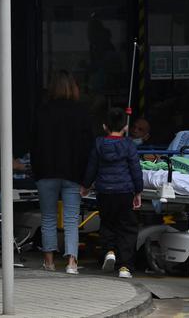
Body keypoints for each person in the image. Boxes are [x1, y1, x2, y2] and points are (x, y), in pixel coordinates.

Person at [30, 70, 94, 274]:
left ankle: (49, 262)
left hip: (46, 171)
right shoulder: (81, 112)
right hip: (73, 173)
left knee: (48, 217)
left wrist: (36, 170)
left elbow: (34, 144)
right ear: (72, 87)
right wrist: (87, 177)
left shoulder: (42, 111)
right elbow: (88, 146)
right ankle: (71, 263)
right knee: (71, 219)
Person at [81, 108, 143, 278]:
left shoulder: (98, 143)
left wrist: (86, 186)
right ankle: (125, 267)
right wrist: (138, 191)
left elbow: (91, 167)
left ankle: (109, 251)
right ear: (125, 127)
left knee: (107, 223)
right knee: (127, 228)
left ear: (104, 126)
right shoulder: (129, 144)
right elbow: (135, 170)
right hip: (124, 192)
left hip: (104, 191)